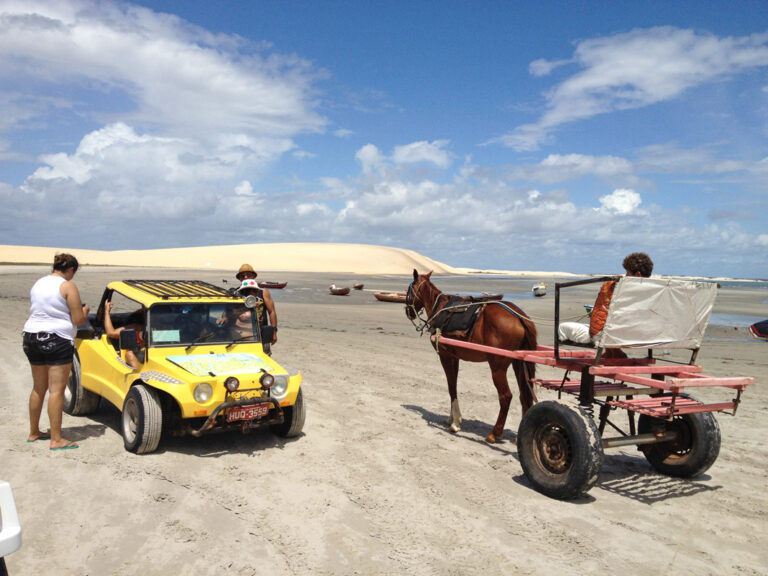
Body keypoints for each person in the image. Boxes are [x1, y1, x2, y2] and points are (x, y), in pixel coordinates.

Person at [22, 253, 90, 450]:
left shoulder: (39, 283)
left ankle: (34, 432)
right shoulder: (68, 286)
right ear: (70, 270)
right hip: (56, 338)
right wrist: (85, 311)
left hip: (31, 335)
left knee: (38, 388)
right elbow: (77, 319)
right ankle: (56, 439)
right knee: (56, 390)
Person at [558, 252, 654, 345]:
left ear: (637, 275)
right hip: (642, 335)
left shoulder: (615, 286)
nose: (625, 276)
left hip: (610, 335)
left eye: (627, 272)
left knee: (562, 327)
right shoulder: (653, 290)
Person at [103, 301, 144, 369]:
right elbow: (111, 333)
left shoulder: (164, 326)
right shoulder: (138, 327)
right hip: (141, 356)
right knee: (129, 354)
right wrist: (107, 312)